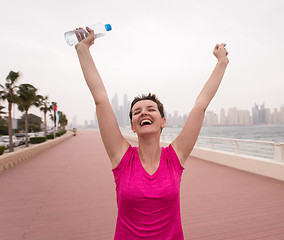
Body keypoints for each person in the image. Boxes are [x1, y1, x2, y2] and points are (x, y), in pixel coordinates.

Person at [74, 27, 229, 240]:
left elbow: (200, 106)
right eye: (137, 112)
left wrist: (221, 62)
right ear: (133, 126)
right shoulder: (121, 157)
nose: (143, 112)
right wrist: (83, 48)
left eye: (150, 109)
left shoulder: (174, 158)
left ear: (162, 121)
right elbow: (100, 98)